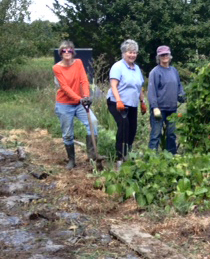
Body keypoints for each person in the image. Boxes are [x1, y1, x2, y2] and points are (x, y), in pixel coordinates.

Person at [52, 40, 97, 170]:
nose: (67, 52)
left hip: (80, 103)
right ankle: (71, 160)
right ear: (61, 53)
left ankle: (93, 156)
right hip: (64, 104)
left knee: (93, 122)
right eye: (64, 50)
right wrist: (79, 98)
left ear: (73, 52)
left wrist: (86, 96)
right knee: (67, 133)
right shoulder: (57, 68)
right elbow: (65, 87)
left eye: (69, 50)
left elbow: (84, 80)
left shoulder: (78, 63)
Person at [107, 39, 146, 167]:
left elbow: (139, 86)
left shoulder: (137, 68)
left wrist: (142, 102)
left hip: (132, 103)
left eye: (134, 52)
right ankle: (119, 157)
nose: (132, 55)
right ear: (124, 53)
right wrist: (118, 100)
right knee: (124, 126)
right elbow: (113, 85)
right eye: (130, 52)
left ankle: (127, 154)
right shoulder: (118, 67)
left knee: (133, 128)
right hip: (117, 102)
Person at [147, 45, 186, 154]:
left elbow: (179, 87)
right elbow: (152, 91)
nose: (165, 57)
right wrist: (154, 107)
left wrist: (184, 97)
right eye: (162, 55)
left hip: (172, 109)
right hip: (159, 109)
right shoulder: (155, 72)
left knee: (171, 134)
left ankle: (171, 157)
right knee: (156, 135)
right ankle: (151, 158)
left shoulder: (174, 71)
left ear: (170, 55)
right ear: (158, 57)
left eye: (166, 54)